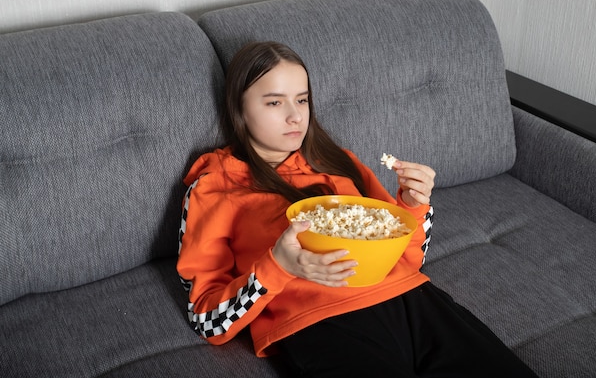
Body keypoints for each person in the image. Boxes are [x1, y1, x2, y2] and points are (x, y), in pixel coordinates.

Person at [176, 41, 539, 377]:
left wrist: (413, 207)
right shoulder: (212, 186)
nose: (295, 117)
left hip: (413, 300)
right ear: (238, 107)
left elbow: (407, 258)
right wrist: (278, 267)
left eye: (302, 100)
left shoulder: (337, 161)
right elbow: (206, 319)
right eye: (274, 102)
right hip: (318, 322)